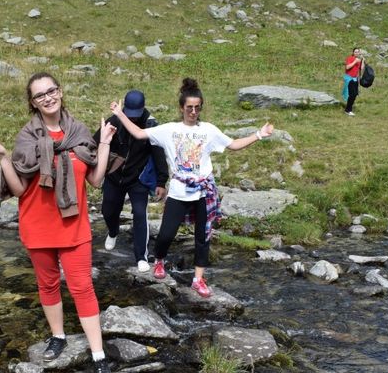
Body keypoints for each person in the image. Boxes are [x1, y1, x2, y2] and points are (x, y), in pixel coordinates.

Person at [0, 72, 117, 373]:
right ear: (32, 102)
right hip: (38, 225)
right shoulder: (26, 139)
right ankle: (58, 336)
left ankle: (98, 356)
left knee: (82, 287)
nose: (48, 97)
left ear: (61, 92)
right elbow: (19, 190)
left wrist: (104, 144)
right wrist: (3, 158)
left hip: (74, 225)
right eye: (40, 95)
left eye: (51, 91)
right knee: (48, 284)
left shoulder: (80, 132)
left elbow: (95, 180)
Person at [109, 78, 273, 298]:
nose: (193, 111)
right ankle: (159, 260)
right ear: (181, 108)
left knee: (202, 237)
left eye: (197, 107)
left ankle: (198, 279)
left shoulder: (209, 131)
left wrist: (259, 135)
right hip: (178, 191)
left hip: (203, 191)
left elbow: (233, 145)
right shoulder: (169, 130)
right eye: (189, 107)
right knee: (166, 234)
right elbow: (139, 134)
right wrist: (119, 114)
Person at [94, 90, 169, 273]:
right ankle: (113, 232)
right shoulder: (115, 119)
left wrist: (161, 181)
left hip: (138, 178)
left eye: (136, 115)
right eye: (130, 115)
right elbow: (95, 142)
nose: (133, 119)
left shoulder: (151, 125)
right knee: (108, 210)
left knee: (139, 213)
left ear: (143, 108)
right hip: (114, 175)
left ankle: (141, 257)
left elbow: (159, 154)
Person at [343, 47, 364, 116]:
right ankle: (348, 110)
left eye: (358, 52)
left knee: (355, 94)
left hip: (355, 79)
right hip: (349, 78)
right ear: (353, 53)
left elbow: (361, 68)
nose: (357, 53)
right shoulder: (350, 58)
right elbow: (347, 67)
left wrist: (362, 60)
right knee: (351, 94)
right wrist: (355, 61)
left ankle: (349, 108)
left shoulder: (359, 60)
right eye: (355, 52)